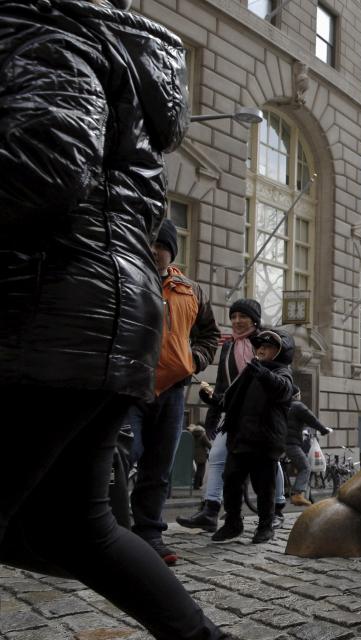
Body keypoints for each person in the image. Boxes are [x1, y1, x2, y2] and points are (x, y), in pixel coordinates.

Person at [0, 0, 225, 636]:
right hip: (93, 326)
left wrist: (199, 361)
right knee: (75, 527)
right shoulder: (99, 55)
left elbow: (44, 168)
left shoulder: (47, 36)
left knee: (93, 516)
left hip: (49, 322)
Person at [123, 219, 219, 566]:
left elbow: (210, 335)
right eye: (148, 243)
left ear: (171, 251)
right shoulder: (125, 277)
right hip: (130, 387)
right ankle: (111, 529)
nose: (153, 250)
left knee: (158, 467)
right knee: (123, 454)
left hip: (173, 391)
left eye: (160, 245)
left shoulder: (191, 291)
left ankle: (149, 533)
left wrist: (194, 359)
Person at [176, 299, 287, 531]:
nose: (236, 321)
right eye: (233, 316)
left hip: (263, 416)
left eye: (242, 316)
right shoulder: (227, 346)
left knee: (269, 460)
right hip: (235, 413)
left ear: (254, 319)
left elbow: (282, 375)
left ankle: (277, 509)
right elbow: (223, 385)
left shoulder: (268, 340)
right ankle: (211, 509)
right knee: (217, 454)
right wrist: (212, 414)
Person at [200, 329, 295, 543]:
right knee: (231, 480)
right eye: (259, 346)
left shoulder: (282, 372)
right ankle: (233, 523)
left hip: (265, 441)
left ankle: (265, 525)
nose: (260, 350)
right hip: (240, 438)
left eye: (267, 347)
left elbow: (283, 390)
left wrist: (263, 374)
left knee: (264, 487)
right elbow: (230, 400)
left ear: (280, 352)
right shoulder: (250, 372)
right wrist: (212, 399)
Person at [286, 393, 332, 507]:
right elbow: (312, 419)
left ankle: (288, 490)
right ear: (296, 395)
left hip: (279, 441)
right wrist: (323, 430)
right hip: (290, 443)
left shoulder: (284, 405)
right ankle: (297, 494)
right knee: (305, 467)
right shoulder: (298, 406)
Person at [188, 424, 213, 490]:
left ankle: (197, 485)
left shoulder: (192, 435)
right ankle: (198, 485)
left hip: (195, 455)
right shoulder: (203, 436)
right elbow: (209, 445)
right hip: (202, 455)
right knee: (201, 471)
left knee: (198, 470)